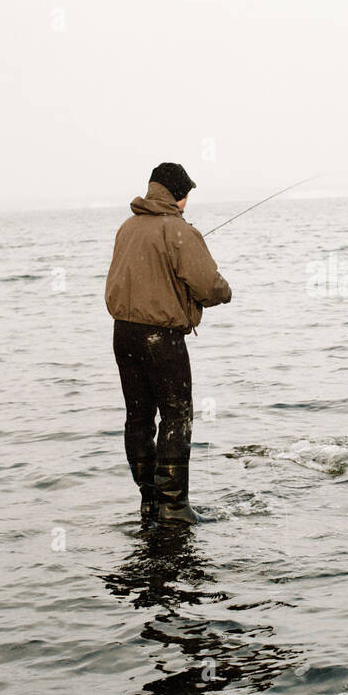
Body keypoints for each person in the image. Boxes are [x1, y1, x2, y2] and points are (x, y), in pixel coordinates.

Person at [104, 162, 232, 523]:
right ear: (179, 195)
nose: (187, 202)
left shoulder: (126, 228)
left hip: (123, 334)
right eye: (187, 196)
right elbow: (208, 287)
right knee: (177, 415)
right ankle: (174, 507)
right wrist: (225, 291)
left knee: (138, 416)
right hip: (160, 337)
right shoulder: (179, 231)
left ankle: (150, 501)